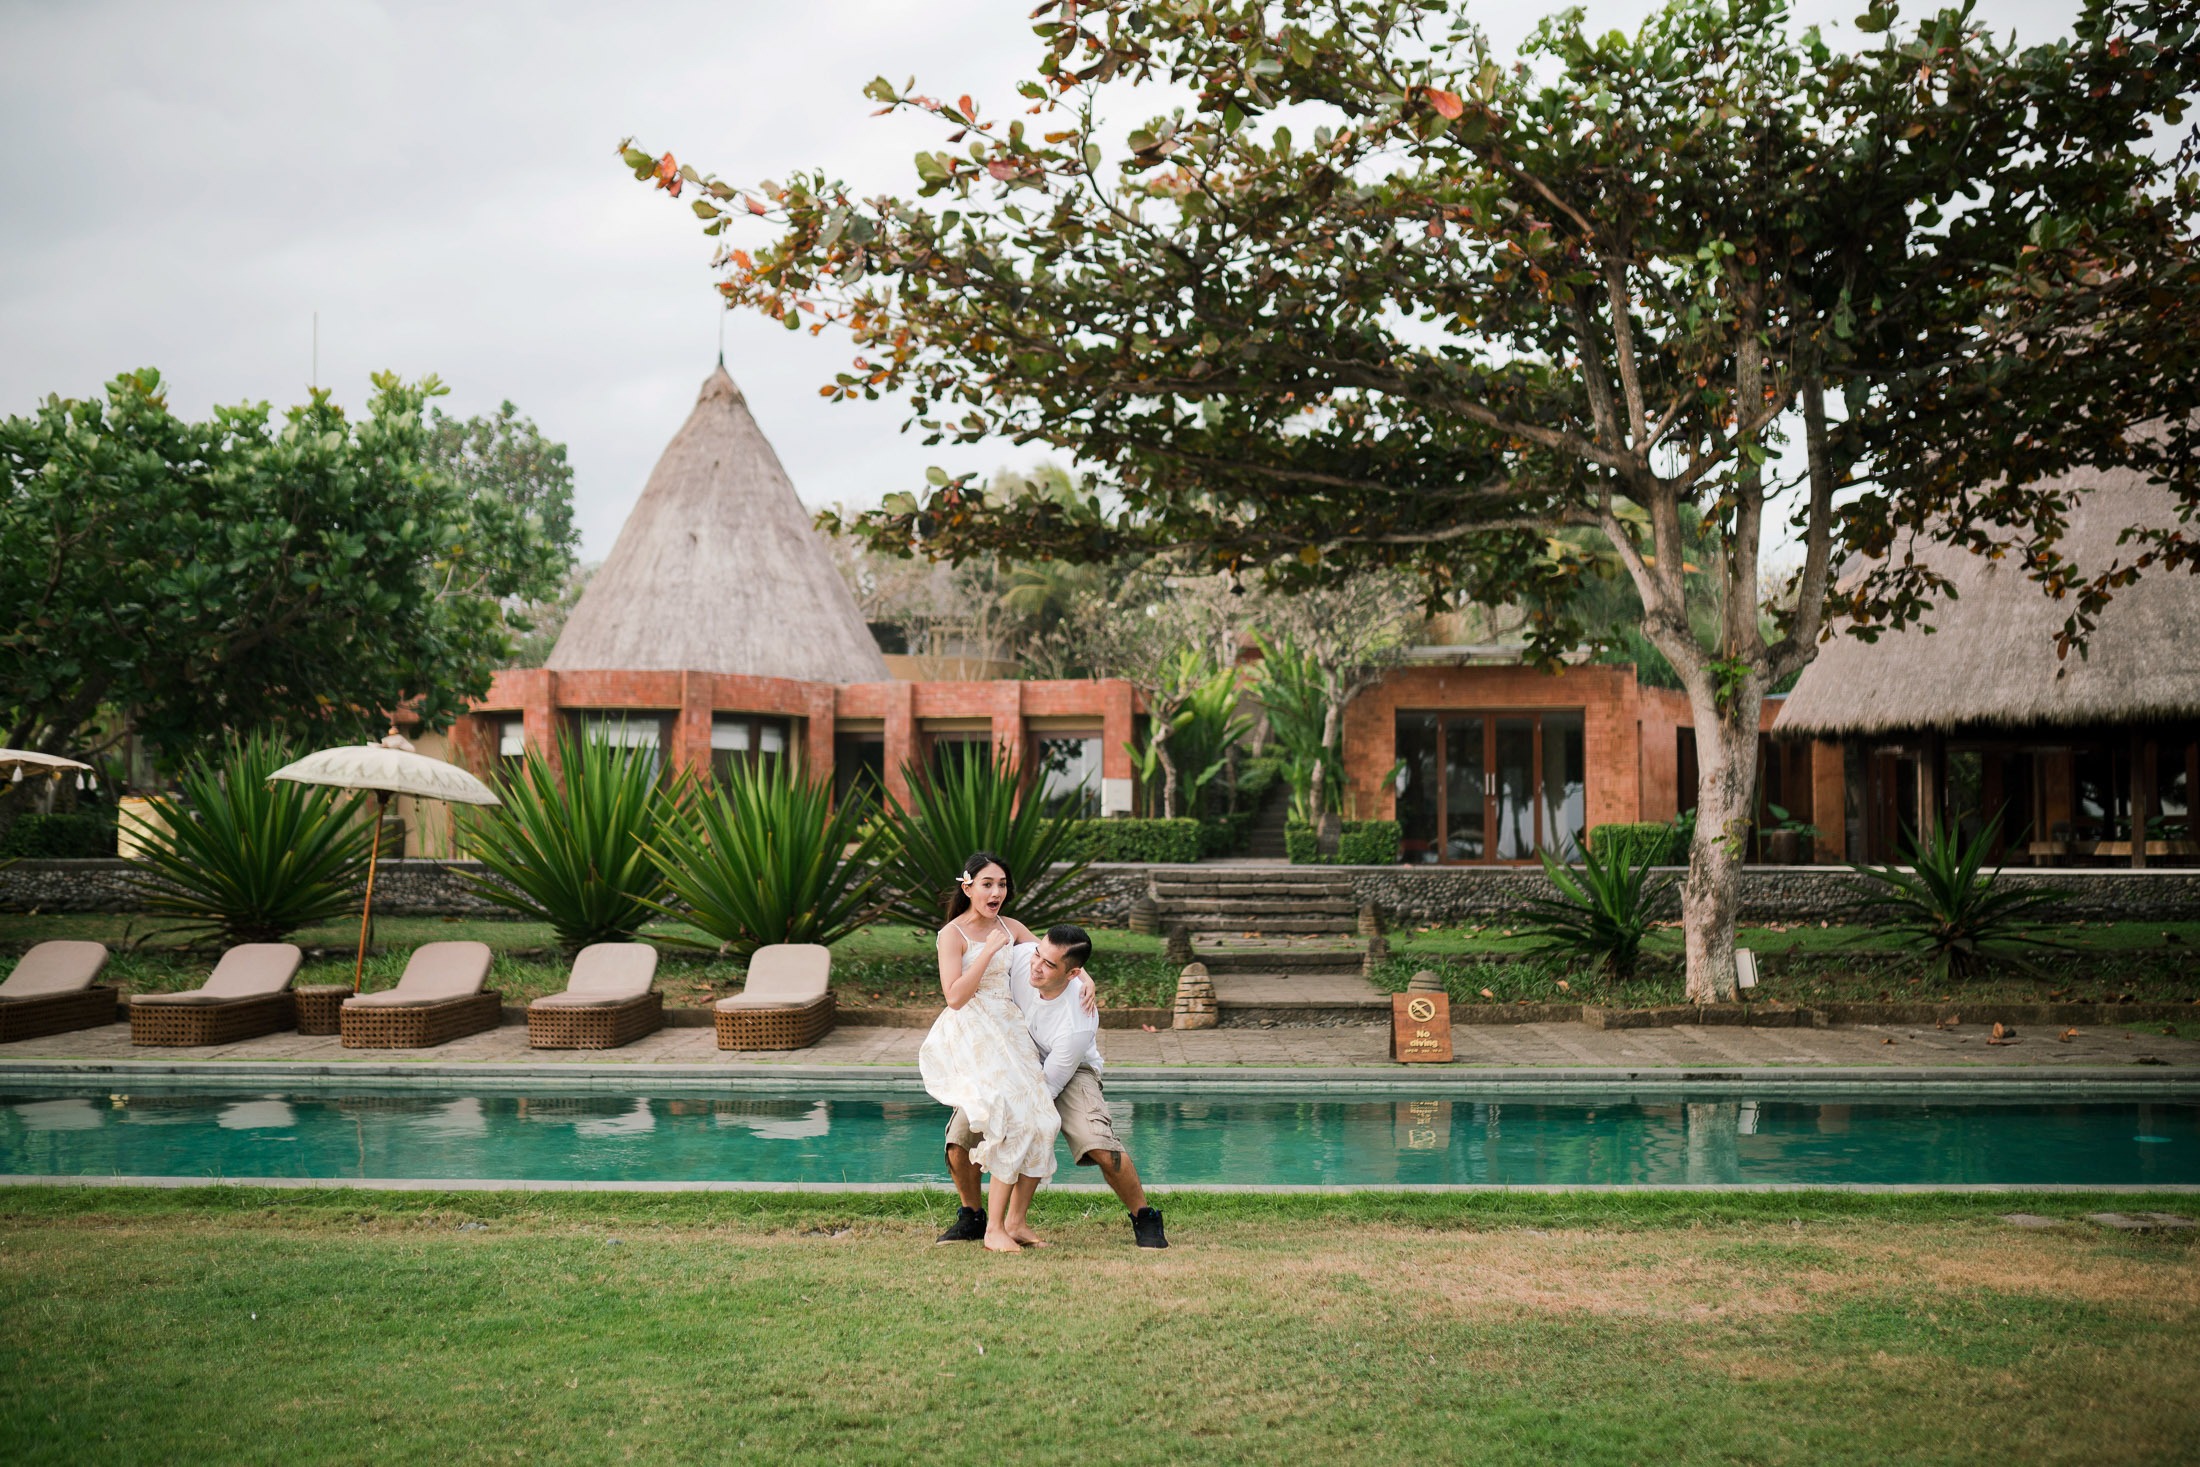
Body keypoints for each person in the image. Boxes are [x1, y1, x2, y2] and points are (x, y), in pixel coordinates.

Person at [936, 924, 1168, 1249]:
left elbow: (1047, 1089)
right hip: (1013, 1060)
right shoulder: (1022, 959)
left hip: (1068, 1071)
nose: (1036, 966)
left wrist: (1011, 1117)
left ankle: (1144, 1216)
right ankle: (973, 1217)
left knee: (1097, 1144)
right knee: (960, 1137)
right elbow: (992, 940)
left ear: (1072, 973)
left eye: (1049, 965)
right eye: (1038, 955)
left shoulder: (1078, 1022)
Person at [916, 851, 1061, 1253]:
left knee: (1041, 1118)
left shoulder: (1011, 925)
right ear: (968, 888)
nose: (997, 891)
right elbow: (955, 997)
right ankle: (990, 1227)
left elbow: (1053, 958)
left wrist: (1083, 975)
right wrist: (988, 951)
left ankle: (1015, 1221)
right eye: (987, 884)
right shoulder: (953, 935)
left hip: (1009, 1031)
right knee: (1001, 1112)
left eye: (1002, 884)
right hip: (971, 1031)